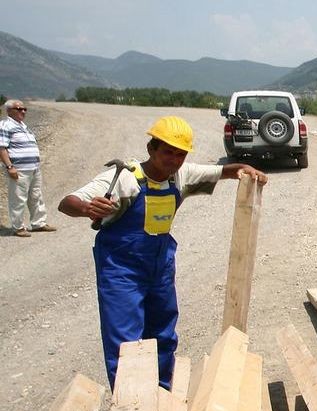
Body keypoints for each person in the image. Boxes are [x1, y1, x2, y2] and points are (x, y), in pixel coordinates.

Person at [58, 115, 268, 390]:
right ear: (151, 149)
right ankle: (131, 407)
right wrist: (86, 208)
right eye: (168, 152)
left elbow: (227, 170)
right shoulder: (125, 178)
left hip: (160, 268)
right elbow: (67, 203)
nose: (174, 160)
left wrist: (247, 170)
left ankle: (161, 396)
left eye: (180, 154)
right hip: (122, 270)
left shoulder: (181, 175)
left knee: (162, 334)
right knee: (126, 341)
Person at [1, 99, 57, 237]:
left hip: (34, 168)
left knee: (36, 196)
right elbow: (1, 147)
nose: (23, 111)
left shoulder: (24, 126)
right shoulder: (5, 125)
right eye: (19, 109)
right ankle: (18, 227)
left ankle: (39, 223)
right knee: (18, 198)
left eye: (24, 109)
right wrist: (9, 166)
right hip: (19, 169)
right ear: (9, 111)